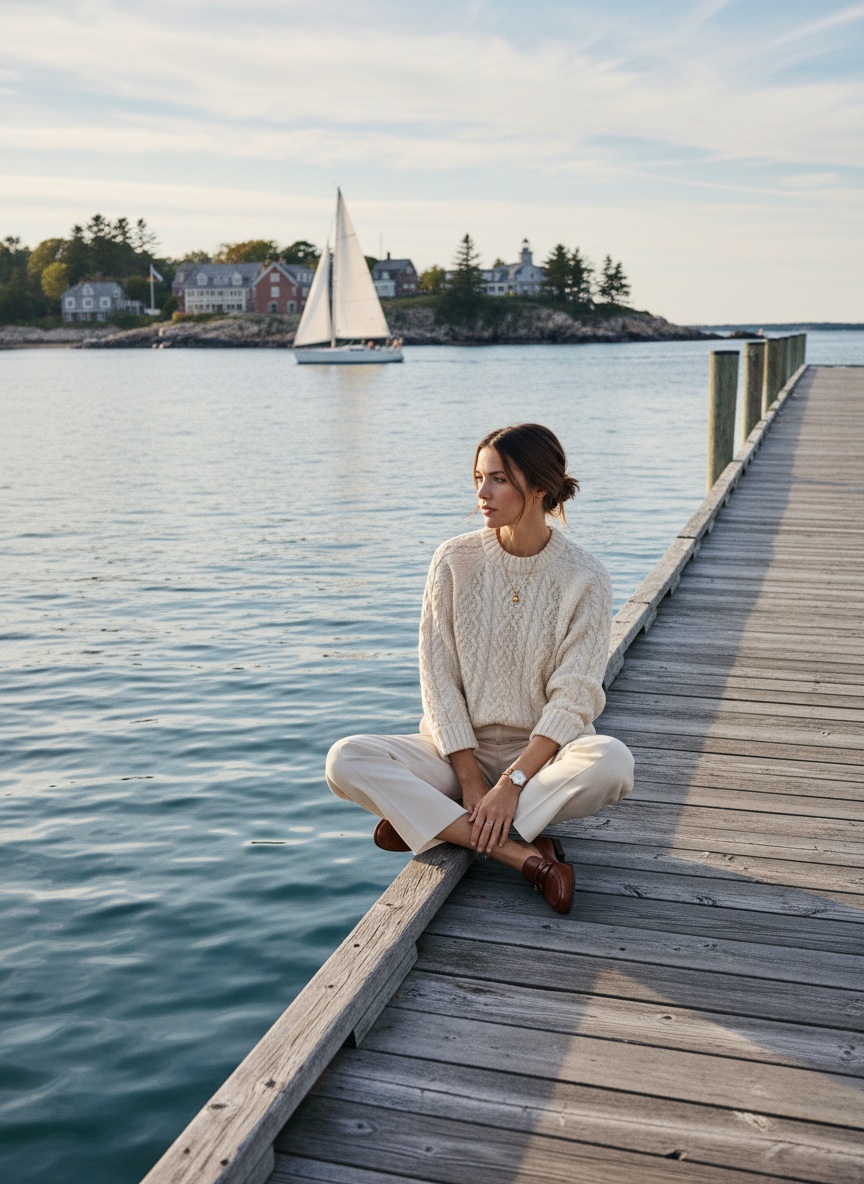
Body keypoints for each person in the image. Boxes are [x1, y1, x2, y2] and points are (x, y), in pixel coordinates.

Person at [326, 423, 634, 914]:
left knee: (614, 761)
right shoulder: (453, 559)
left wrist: (511, 783)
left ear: (538, 488)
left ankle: (438, 825)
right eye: (478, 478)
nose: (482, 493)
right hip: (452, 756)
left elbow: (575, 697)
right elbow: (437, 677)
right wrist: (472, 783)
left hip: (539, 763)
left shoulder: (586, 576)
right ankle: (526, 857)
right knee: (345, 759)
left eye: (498, 480)